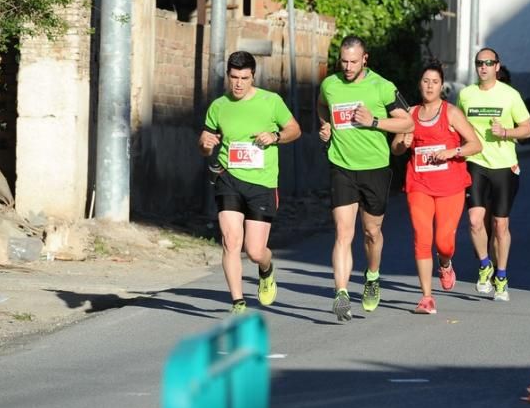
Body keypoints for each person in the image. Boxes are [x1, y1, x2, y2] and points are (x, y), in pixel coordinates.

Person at [317, 35, 413, 321]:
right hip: (341, 166)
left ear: (365, 60)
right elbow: (323, 105)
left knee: (371, 232)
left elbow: (407, 121)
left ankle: (372, 276)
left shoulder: (382, 86)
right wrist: (325, 126)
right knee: (343, 233)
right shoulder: (330, 84)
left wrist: (373, 121)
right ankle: (342, 293)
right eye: (343, 62)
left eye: (353, 62)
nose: (347, 67)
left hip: (375, 167)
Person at [198, 51, 302, 315]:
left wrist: (275, 136)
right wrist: (205, 144)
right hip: (228, 179)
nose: (239, 84)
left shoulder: (271, 101)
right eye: (234, 77)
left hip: (262, 183)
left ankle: (266, 268)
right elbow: (205, 140)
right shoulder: (219, 106)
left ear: (253, 76)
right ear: (228, 76)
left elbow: (295, 130)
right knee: (231, 241)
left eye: (244, 78)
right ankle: (238, 302)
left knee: (255, 251)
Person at [391, 62, 482, 314]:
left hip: (450, 185)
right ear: (419, 84)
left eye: (434, 82)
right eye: (425, 81)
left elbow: (476, 144)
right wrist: (404, 142)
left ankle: (445, 262)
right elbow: (396, 149)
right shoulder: (409, 113)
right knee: (422, 237)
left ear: (441, 86)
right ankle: (427, 297)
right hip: (419, 183)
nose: (429, 86)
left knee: (444, 241)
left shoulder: (450, 113)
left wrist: (452, 151)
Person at [458, 47, 530, 301]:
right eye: (479, 63)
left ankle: (501, 275)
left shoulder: (510, 95)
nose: (483, 67)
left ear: (497, 67)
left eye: (489, 63)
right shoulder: (466, 95)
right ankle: (484, 265)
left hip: (504, 165)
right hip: (475, 162)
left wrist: (507, 133)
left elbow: (527, 129)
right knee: (475, 220)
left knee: (501, 225)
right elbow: (457, 126)